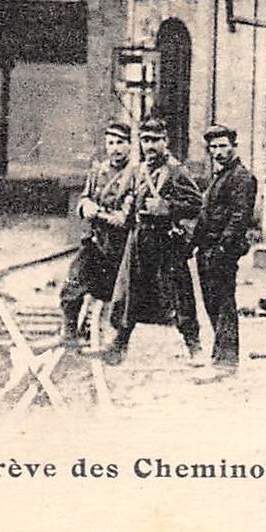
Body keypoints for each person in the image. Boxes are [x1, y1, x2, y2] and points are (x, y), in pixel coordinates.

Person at [104, 117, 204, 365]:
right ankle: (119, 346)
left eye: (155, 141)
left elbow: (196, 204)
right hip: (140, 239)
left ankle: (195, 347)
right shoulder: (139, 171)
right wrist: (128, 206)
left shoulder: (176, 170)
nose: (150, 146)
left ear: (165, 142)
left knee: (180, 293)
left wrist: (167, 207)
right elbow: (127, 200)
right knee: (131, 293)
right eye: (145, 140)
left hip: (167, 242)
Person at [59, 120, 137, 347]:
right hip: (96, 243)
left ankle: (118, 343)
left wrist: (97, 213)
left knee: (122, 298)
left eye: (120, 143)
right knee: (72, 284)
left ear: (130, 146)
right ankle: (69, 334)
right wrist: (85, 206)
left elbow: (124, 219)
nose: (115, 148)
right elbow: (85, 197)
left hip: (123, 247)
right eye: (110, 143)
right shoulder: (98, 170)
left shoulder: (135, 174)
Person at [190, 124, 258, 378]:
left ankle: (226, 363)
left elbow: (240, 218)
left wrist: (221, 249)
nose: (218, 151)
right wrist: (193, 245)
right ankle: (221, 359)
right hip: (208, 250)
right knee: (213, 305)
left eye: (223, 146)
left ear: (233, 147)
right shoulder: (219, 176)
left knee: (224, 305)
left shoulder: (242, 177)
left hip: (222, 252)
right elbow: (206, 214)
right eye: (214, 147)